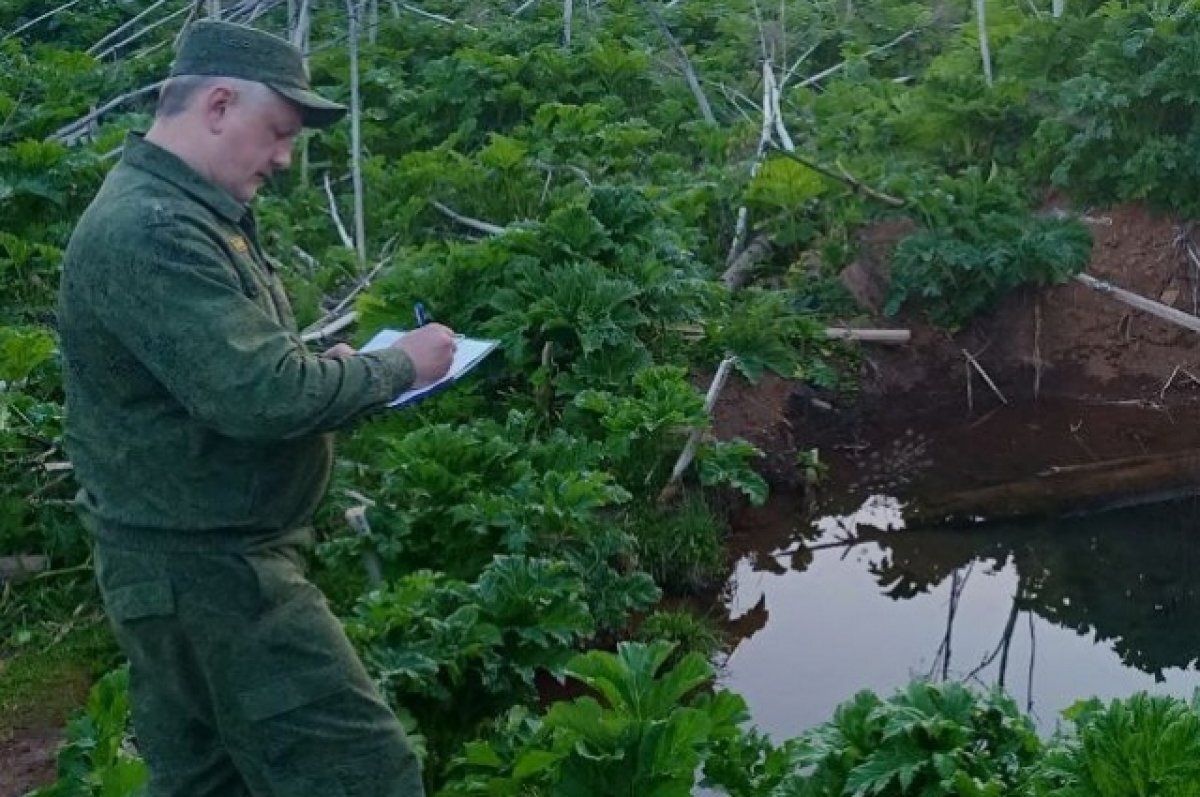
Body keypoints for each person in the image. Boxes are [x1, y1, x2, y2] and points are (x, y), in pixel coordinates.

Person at [56, 19, 452, 797]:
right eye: (278, 132)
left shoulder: (182, 212)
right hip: (215, 577)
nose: (283, 157)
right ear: (217, 103)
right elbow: (260, 396)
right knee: (366, 775)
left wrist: (318, 368)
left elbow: (233, 369)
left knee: (212, 783)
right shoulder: (153, 228)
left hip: (180, 571)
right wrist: (396, 366)